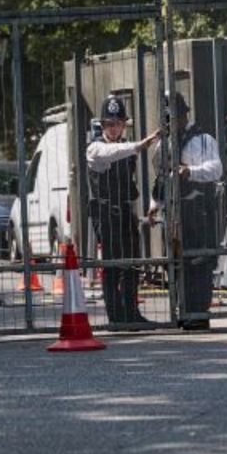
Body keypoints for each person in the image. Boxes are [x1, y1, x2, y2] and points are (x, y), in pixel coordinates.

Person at [148, 92, 223, 330]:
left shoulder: (203, 140)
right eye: (167, 119)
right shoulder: (164, 143)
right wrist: (155, 205)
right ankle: (182, 310)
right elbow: (160, 177)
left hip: (197, 208)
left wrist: (191, 171)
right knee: (177, 263)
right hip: (173, 212)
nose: (171, 123)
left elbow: (216, 169)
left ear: (184, 115)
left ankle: (199, 312)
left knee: (199, 261)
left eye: (175, 117)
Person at [86, 95, 163, 325]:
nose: (114, 128)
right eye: (110, 123)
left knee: (132, 264)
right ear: (102, 125)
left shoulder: (125, 147)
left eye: (118, 123)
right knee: (112, 266)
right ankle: (116, 317)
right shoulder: (95, 148)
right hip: (106, 214)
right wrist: (140, 145)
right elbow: (115, 152)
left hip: (125, 212)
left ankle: (131, 313)